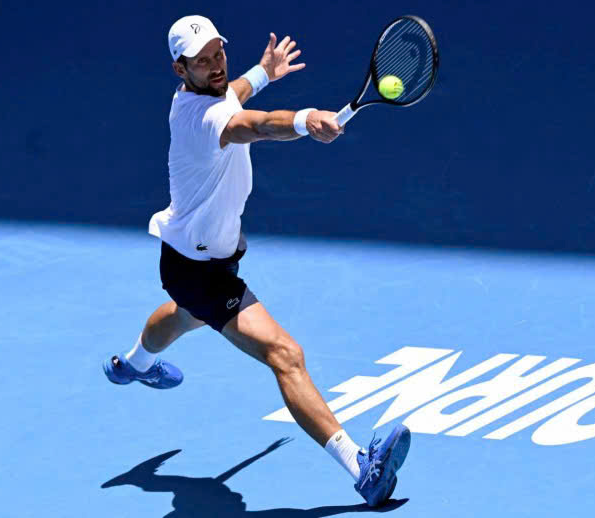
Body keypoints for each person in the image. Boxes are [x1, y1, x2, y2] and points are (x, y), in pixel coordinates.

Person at [102, 15, 408, 508]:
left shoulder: (197, 96)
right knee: (285, 355)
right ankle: (361, 469)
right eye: (201, 61)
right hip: (200, 269)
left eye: (218, 53)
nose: (215, 65)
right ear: (180, 68)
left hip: (186, 261)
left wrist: (263, 72)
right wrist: (309, 119)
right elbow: (256, 124)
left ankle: (131, 365)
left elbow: (235, 95)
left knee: (185, 314)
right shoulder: (206, 121)